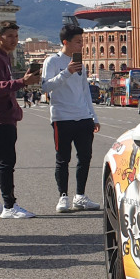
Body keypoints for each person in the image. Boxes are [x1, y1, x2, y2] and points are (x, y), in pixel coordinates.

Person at [0, 21, 40, 218]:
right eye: (9, 36)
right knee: (6, 161)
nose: (14, 40)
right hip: (1, 115)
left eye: (15, 36)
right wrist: (23, 82)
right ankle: (9, 206)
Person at [42, 23, 102, 213]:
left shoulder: (81, 64)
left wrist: (94, 116)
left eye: (82, 42)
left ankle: (80, 196)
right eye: (77, 42)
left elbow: (85, 92)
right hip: (62, 117)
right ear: (65, 42)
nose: (81, 46)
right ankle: (63, 197)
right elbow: (45, 87)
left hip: (83, 117)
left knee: (85, 158)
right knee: (63, 159)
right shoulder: (52, 61)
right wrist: (66, 72)